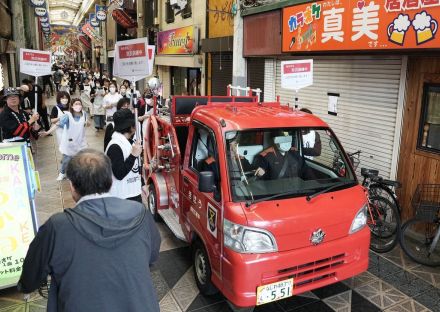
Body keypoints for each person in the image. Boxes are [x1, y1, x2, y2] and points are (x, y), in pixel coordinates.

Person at [18, 149, 161, 312]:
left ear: (71, 185)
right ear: (110, 181)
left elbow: (30, 279)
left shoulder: (58, 226)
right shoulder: (139, 212)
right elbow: (152, 255)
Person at [42, 98, 89, 181]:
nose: (78, 106)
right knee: (66, 160)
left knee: (80, 159)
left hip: (80, 141)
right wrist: (47, 132)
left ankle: (77, 173)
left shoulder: (84, 114)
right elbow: (58, 125)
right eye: (76, 104)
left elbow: (86, 123)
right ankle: (62, 173)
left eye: (79, 104)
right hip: (69, 142)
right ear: (72, 106)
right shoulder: (67, 116)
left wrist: (87, 123)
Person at [105, 109, 143, 202]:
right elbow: (119, 174)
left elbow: (134, 169)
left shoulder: (127, 142)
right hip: (122, 197)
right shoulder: (115, 146)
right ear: (131, 127)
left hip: (132, 192)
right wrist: (133, 156)